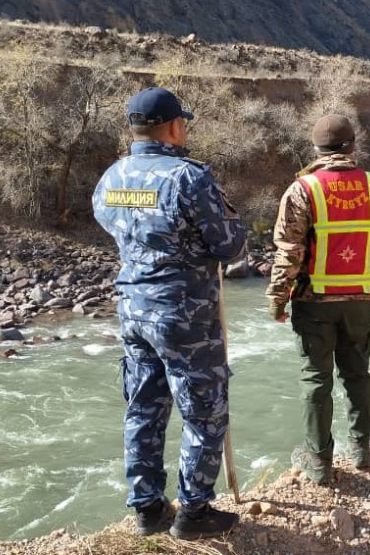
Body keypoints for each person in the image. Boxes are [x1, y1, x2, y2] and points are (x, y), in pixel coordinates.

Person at [92, 87, 247, 540]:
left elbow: (108, 222)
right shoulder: (188, 177)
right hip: (185, 314)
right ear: (175, 127)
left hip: (132, 308)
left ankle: (147, 508)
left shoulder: (112, 176)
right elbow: (230, 246)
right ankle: (193, 513)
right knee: (204, 412)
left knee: (144, 407)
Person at [267, 114, 370, 485]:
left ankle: (320, 465)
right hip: (360, 299)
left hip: (313, 303)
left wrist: (278, 299)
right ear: (352, 146)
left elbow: (289, 252)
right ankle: (361, 452)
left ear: (316, 149)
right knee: (358, 374)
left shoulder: (302, 189)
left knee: (316, 380)